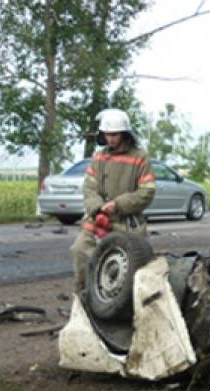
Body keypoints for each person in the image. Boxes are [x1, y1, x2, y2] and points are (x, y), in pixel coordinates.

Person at [69, 108, 156, 293]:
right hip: (98, 219)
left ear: (125, 133)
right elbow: (89, 187)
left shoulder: (139, 157)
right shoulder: (99, 157)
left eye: (115, 134)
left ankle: (123, 306)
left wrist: (118, 205)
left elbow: (147, 192)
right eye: (107, 135)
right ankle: (84, 300)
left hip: (127, 223)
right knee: (80, 251)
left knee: (130, 268)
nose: (110, 139)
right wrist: (98, 208)